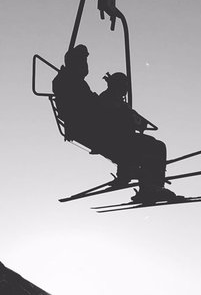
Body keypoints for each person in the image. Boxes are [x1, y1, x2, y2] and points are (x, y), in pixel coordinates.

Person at [52, 44, 176, 203]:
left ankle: (127, 168)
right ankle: (151, 188)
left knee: (137, 139)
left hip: (93, 131)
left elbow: (92, 106)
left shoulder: (69, 81)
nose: (86, 66)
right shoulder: (71, 83)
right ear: (76, 63)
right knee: (155, 146)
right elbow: (92, 109)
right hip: (98, 133)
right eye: (83, 62)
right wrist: (122, 112)